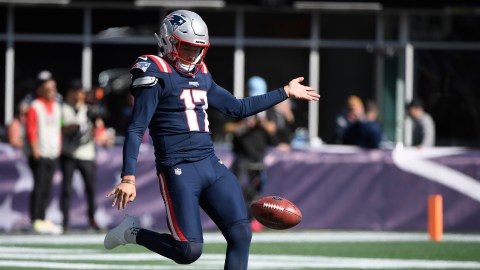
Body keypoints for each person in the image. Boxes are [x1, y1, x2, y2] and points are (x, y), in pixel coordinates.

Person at [103, 10, 319, 270]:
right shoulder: (154, 70)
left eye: (197, 50)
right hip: (178, 168)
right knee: (188, 251)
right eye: (186, 49)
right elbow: (137, 128)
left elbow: (236, 108)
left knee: (241, 234)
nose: (192, 56)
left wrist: (285, 92)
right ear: (168, 42)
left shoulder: (201, 73)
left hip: (210, 164)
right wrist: (128, 177)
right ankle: (132, 232)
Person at [224, 76, 277, 232]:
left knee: (256, 191)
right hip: (242, 156)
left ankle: (253, 219)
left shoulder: (268, 108)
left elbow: (273, 129)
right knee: (238, 189)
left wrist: (262, 123)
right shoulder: (241, 105)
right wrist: (245, 123)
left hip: (258, 156)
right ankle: (236, 220)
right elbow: (227, 127)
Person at [25, 75, 63, 235]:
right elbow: (31, 129)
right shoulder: (35, 106)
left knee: (47, 187)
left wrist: (59, 146)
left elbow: (58, 127)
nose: (52, 92)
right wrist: (35, 149)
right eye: (48, 89)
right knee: (39, 187)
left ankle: (42, 217)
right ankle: (36, 219)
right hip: (39, 152)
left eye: (53, 89)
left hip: (52, 151)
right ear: (40, 90)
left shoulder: (56, 106)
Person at [60, 80, 100, 232]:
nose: (79, 94)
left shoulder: (89, 109)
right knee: (67, 189)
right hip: (69, 153)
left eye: (81, 91)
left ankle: (92, 220)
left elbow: (98, 127)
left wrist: (96, 121)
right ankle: (65, 222)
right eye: (76, 91)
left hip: (86, 153)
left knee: (90, 188)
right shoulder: (63, 108)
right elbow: (62, 129)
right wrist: (75, 127)